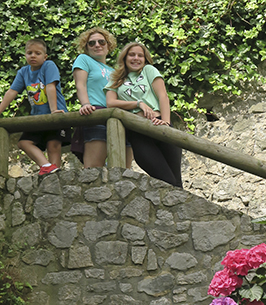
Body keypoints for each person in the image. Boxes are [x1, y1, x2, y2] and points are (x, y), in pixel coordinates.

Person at [105, 42, 182, 187]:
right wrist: (138, 103)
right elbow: (110, 102)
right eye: (132, 54)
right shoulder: (115, 78)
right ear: (125, 57)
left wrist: (166, 122)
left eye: (140, 55)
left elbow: (163, 96)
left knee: (176, 181)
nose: (136, 58)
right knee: (166, 180)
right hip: (137, 130)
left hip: (159, 124)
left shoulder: (149, 70)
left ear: (145, 59)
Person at [0, 38, 69, 175]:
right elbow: (12, 91)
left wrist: (53, 110)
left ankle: (56, 175)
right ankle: (46, 166)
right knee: (24, 143)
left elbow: (50, 87)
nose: (33, 56)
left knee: (53, 145)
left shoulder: (48, 66)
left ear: (45, 57)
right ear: (25, 55)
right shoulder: (23, 72)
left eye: (37, 53)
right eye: (29, 53)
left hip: (56, 112)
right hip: (37, 118)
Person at [71, 26, 132, 169]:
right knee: (93, 168)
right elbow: (80, 85)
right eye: (91, 43)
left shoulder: (114, 71)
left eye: (101, 42)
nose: (97, 45)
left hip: (117, 116)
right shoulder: (84, 59)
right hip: (95, 113)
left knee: (124, 170)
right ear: (86, 47)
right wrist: (85, 103)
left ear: (108, 45)